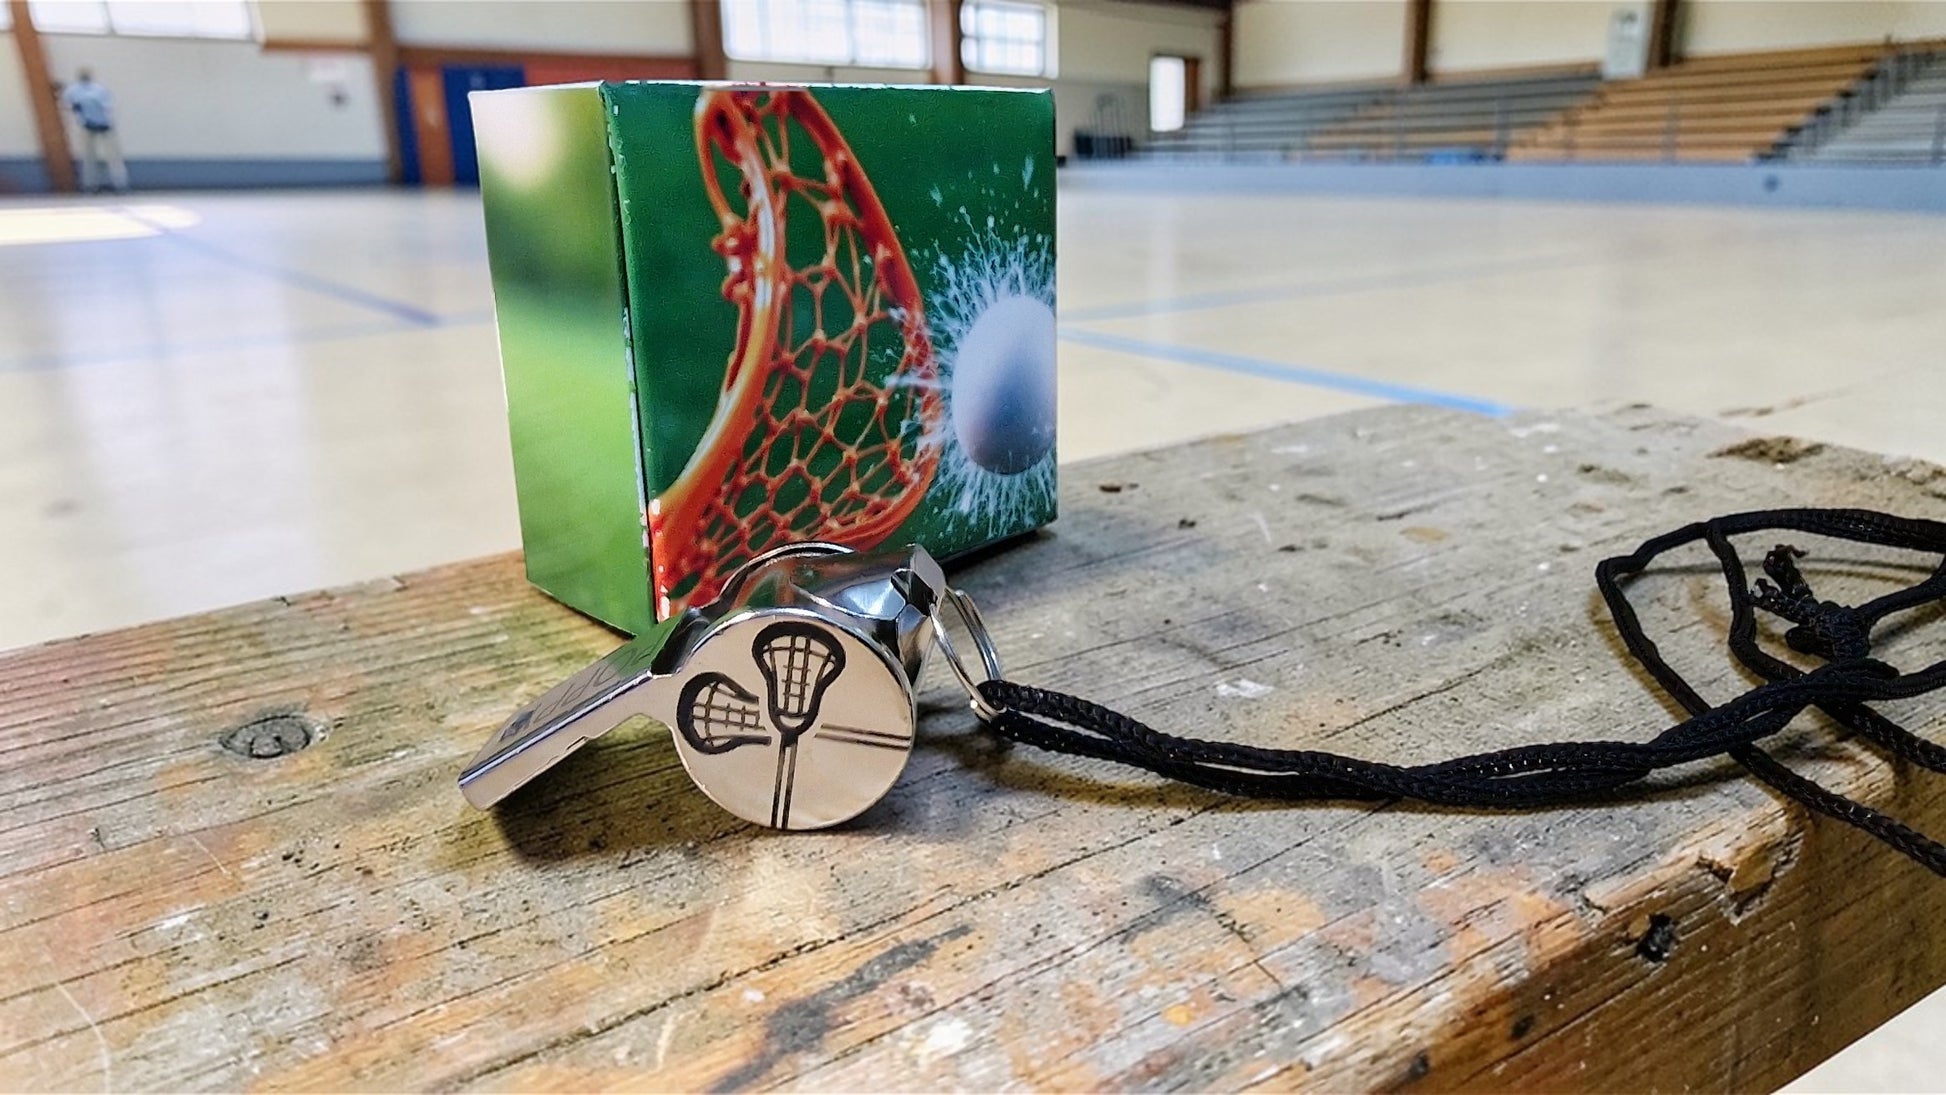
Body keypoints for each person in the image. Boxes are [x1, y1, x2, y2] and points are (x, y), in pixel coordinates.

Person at [60, 69, 129, 193]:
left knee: (91, 156)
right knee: (106, 156)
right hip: (100, 124)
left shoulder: (73, 91)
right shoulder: (99, 89)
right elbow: (109, 107)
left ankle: (93, 184)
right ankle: (117, 183)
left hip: (91, 124)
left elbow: (69, 107)